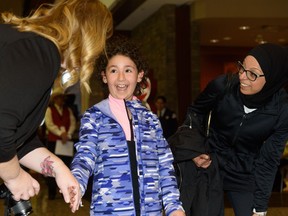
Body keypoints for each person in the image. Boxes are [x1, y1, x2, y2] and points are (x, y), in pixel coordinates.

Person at [0, 0, 113, 212]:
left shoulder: (29, 46)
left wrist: (60, 170)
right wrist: (15, 177)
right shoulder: (41, 51)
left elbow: (19, 139)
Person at [70, 36, 185, 215]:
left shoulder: (151, 120)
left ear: (139, 76)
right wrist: (75, 182)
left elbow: (164, 166)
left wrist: (174, 206)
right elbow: (85, 155)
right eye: (114, 70)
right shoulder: (94, 116)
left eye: (128, 70)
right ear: (104, 76)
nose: (121, 78)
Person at [186, 43, 288, 216]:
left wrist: (260, 207)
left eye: (252, 74)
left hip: (244, 171)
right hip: (210, 162)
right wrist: (196, 150)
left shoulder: (281, 110)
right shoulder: (223, 86)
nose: (242, 77)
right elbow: (195, 112)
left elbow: (269, 160)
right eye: (242, 68)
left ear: (272, 79)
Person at [44, 88, 76, 200]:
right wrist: (60, 133)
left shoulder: (68, 110)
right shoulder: (49, 110)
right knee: (51, 167)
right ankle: (52, 191)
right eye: (59, 98)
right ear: (55, 99)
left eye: (63, 98)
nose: (61, 100)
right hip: (53, 142)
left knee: (66, 166)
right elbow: (49, 124)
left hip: (66, 143)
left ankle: (65, 192)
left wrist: (68, 134)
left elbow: (72, 123)